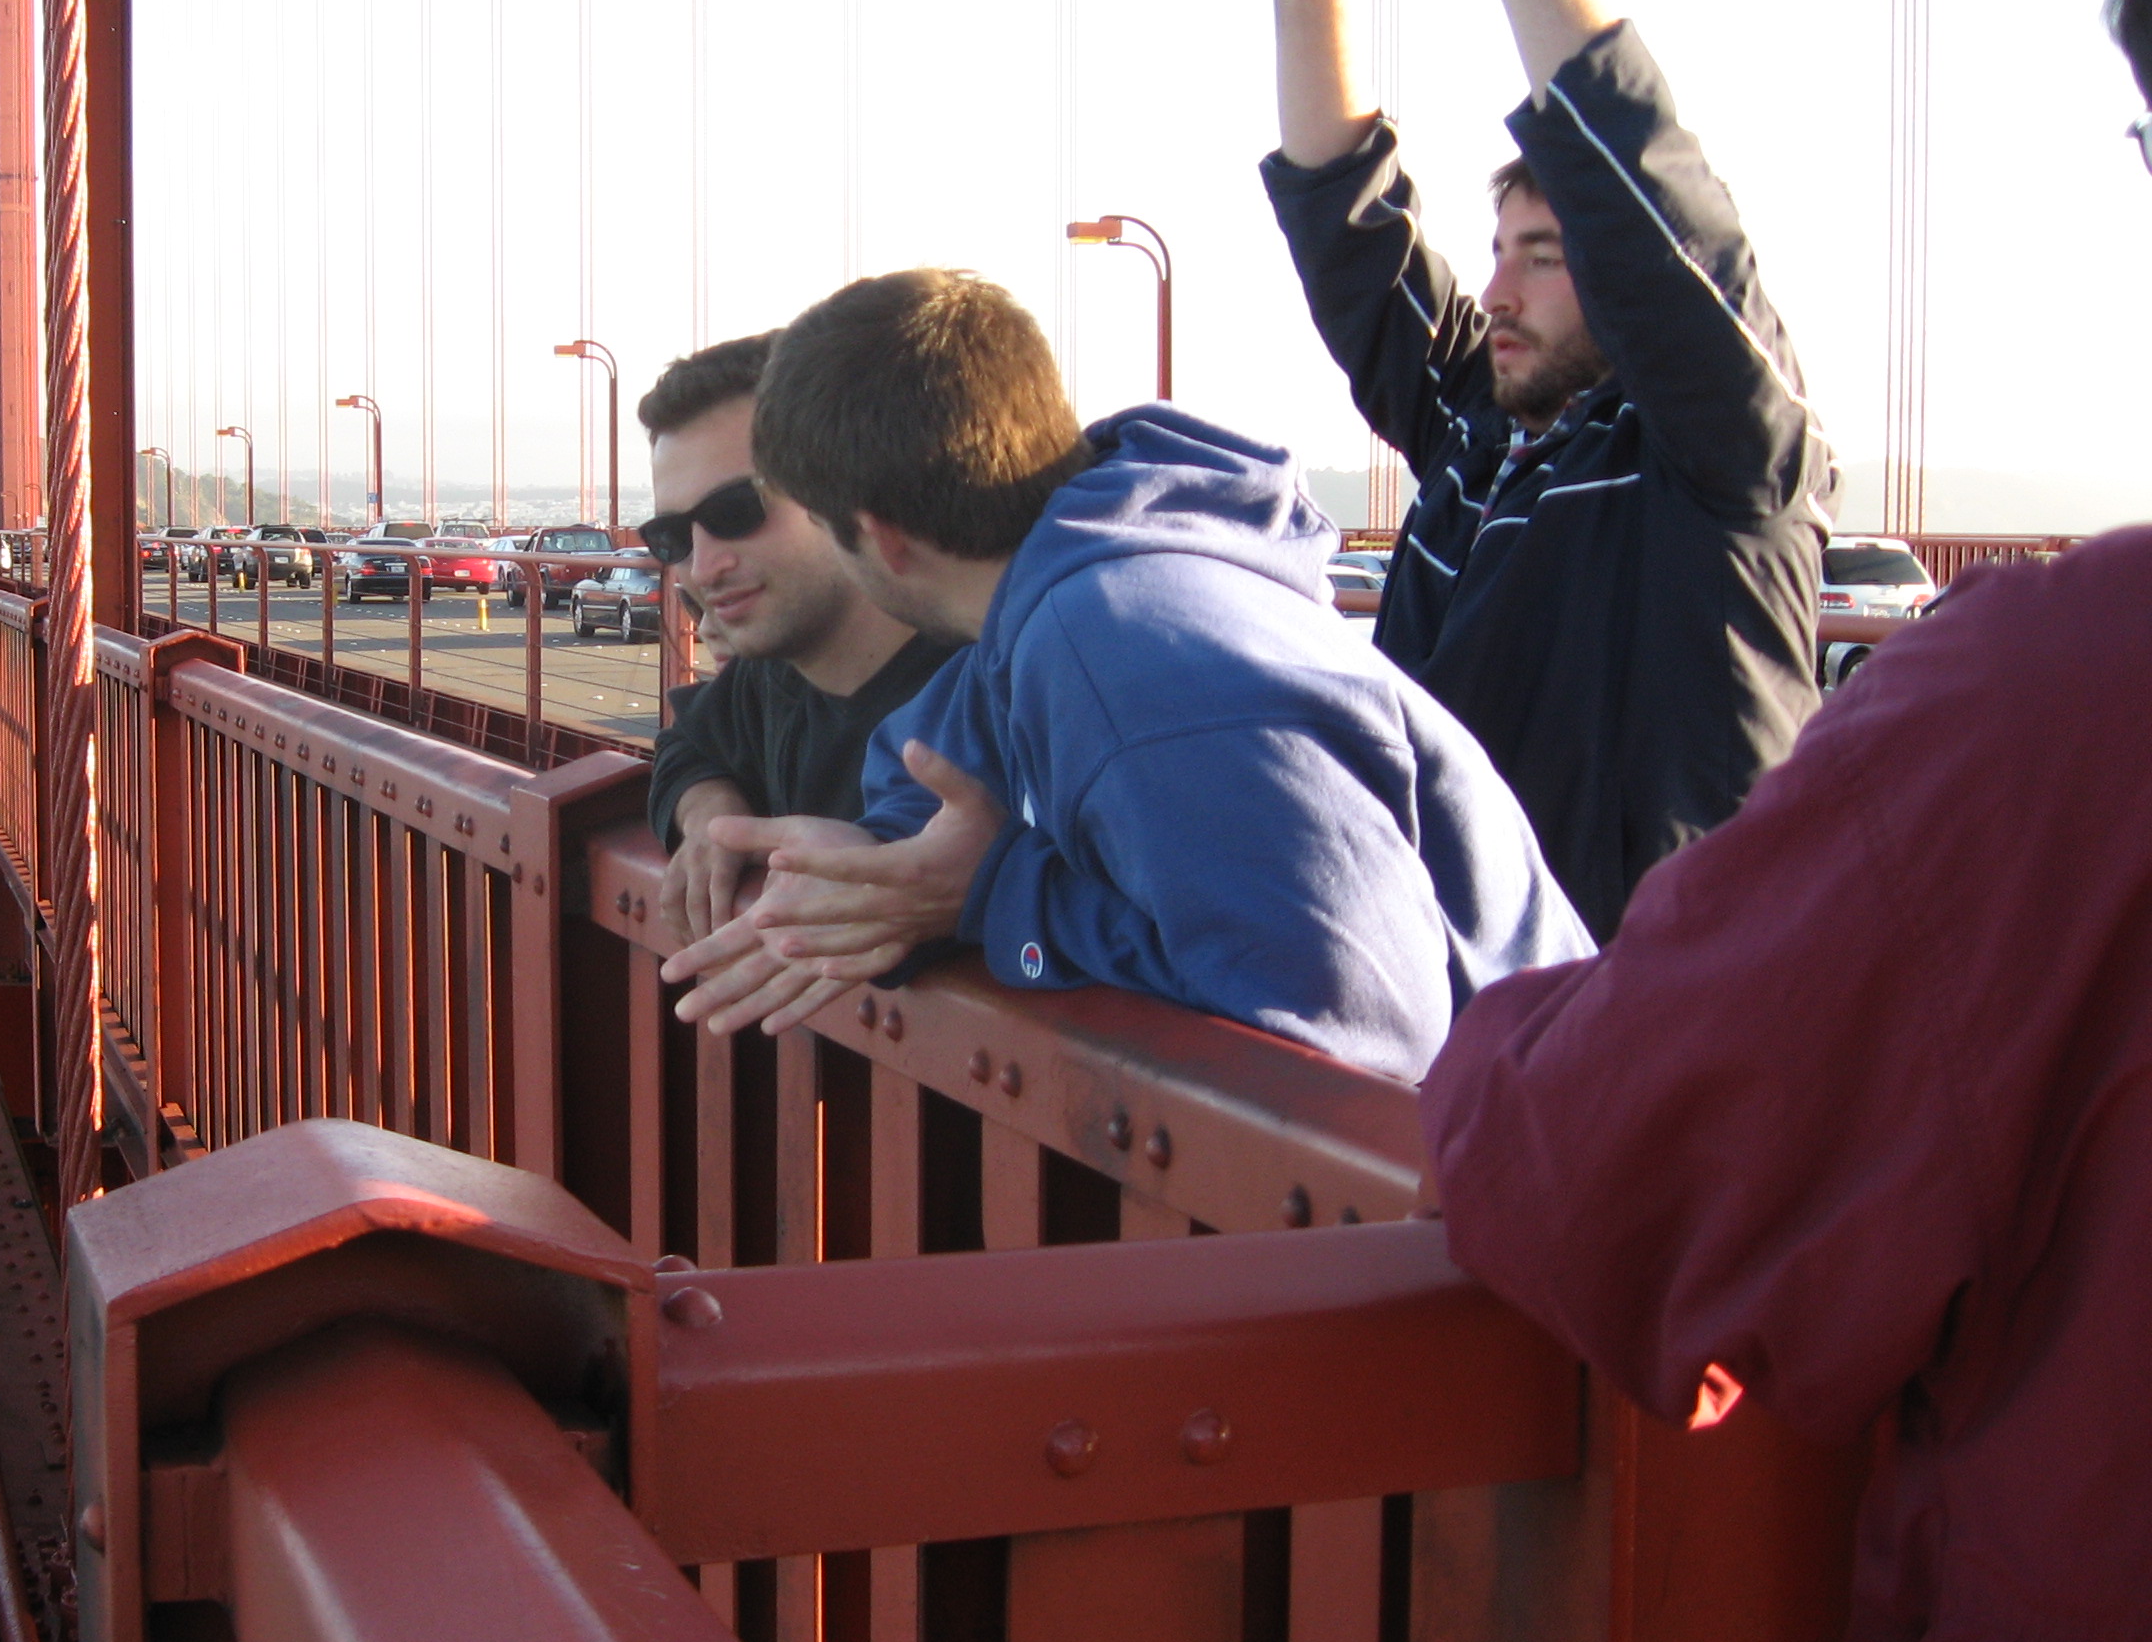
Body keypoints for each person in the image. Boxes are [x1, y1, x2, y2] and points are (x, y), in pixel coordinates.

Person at [1415, 0, 2152, 1642]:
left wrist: (1489, 1009)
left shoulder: (2051, 705)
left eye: (1545, 251)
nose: (1498, 290)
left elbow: (1600, 1175)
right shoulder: (1501, 463)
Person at [661, 267, 1587, 1083]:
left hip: (1529, 1173)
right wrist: (886, 869)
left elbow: (1358, 1019)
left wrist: (991, 894)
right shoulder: (1052, 597)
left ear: (882, 537)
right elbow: (936, 762)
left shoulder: (1127, 655)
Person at [1244, 0, 1837, 938]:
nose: (1499, 294)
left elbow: (1646, 189)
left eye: (1548, 258)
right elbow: (1347, 227)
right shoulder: (1479, 431)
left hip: (1669, 1001)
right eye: (1500, 253)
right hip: (1467, 998)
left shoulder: (1721, 459)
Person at [636, 335, 961, 950]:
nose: (703, 566)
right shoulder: (774, 677)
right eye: (672, 536)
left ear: (846, 485)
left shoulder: (994, 688)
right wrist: (712, 817)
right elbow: (686, 747)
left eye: (737, 510)